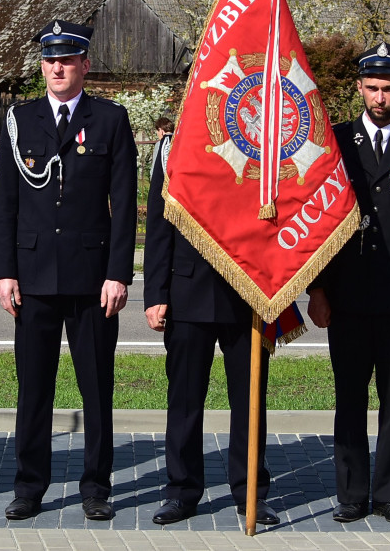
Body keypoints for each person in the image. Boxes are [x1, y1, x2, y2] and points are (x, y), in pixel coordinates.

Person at [0, 19, 138, 521]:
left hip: (93, 280)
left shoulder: (110, 120)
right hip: (32, 278)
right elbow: (5, 203)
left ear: (84, 65)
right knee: (34, 388)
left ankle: (96, 486)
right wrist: (3, 272)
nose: (58, 66)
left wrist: (119, 273)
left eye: (68, 58)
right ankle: (30, 486)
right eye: (51, 59)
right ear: (42, 66)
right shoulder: (20, 120)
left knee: (96, 388)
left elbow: (124, 202)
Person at [306, 42, 390, 525]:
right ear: (359, 88)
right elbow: (317, 220)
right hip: (345, 291)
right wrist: (317, 289)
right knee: (349, 397)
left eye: (389, 88)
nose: (380, 96)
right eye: (372, 88)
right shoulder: (336, 142)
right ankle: (351, 493)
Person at [143, 136, 279, 526]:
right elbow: (158, 222)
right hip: (187, 291)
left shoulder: (259, 136)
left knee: (250, 399)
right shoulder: (173, 146)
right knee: (184, 400)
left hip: (248, 292)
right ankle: (182, 491)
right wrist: (156, 293)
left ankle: (250, 490)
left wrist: (276, 285)